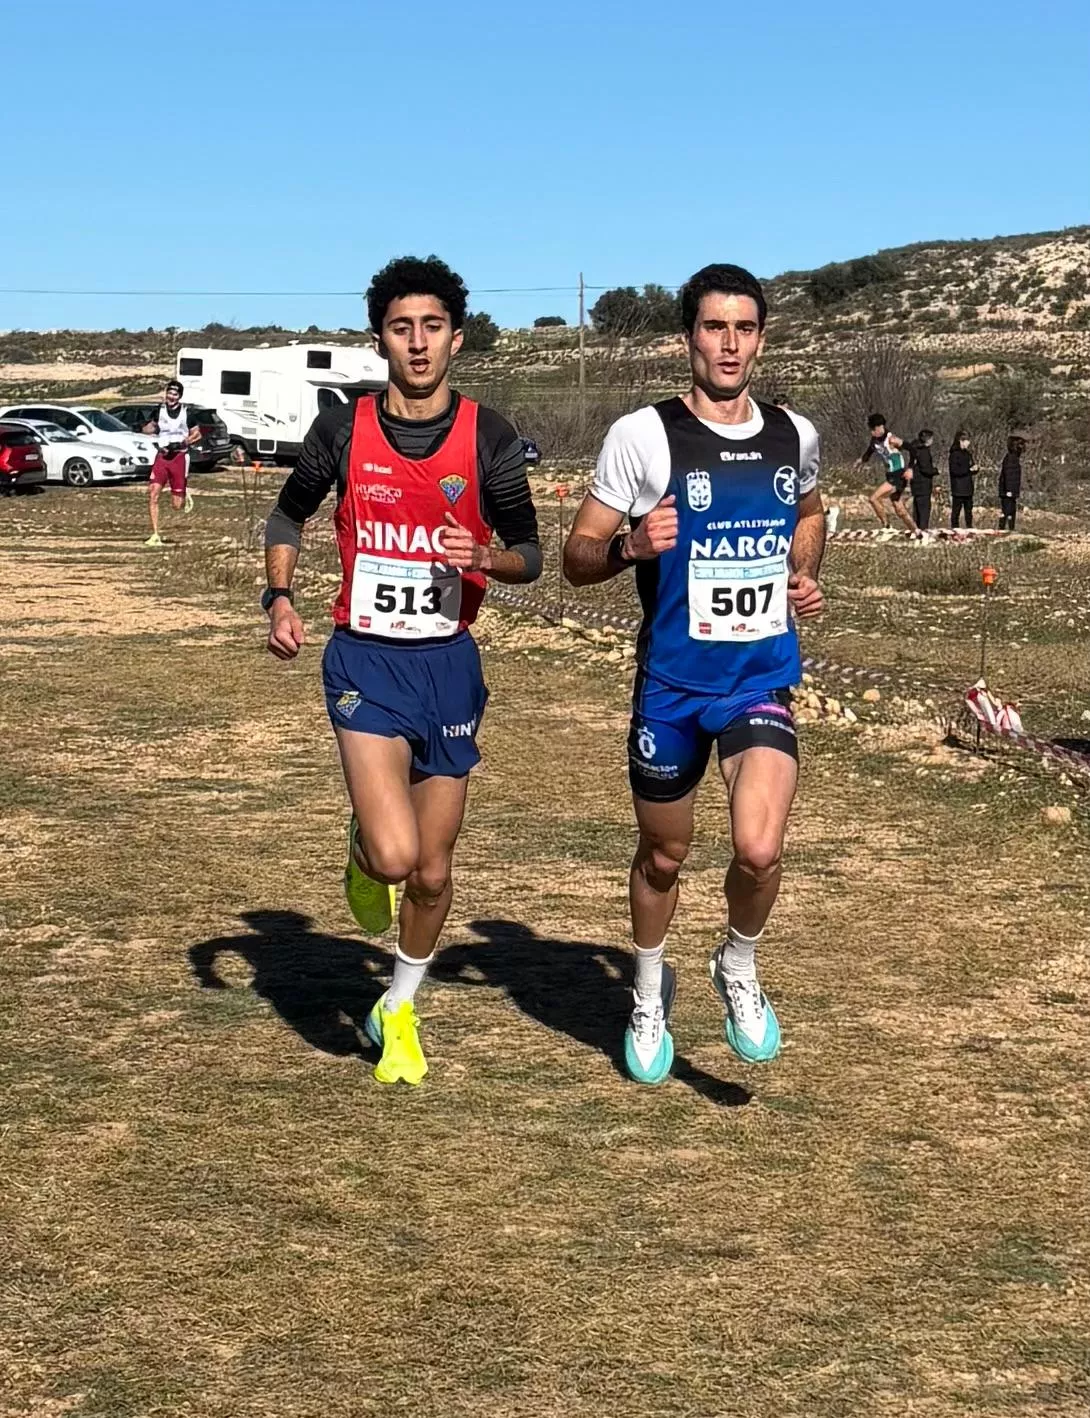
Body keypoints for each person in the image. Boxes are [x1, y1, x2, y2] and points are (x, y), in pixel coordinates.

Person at [262, 256, 541, 1086]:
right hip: (367, 663)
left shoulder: (487, 434)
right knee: (392, 858)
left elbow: (530, 554)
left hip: (449, 667)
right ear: (379, 337)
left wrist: (485, 554)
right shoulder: (344, 428)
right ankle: (361, 841)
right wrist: (278, 598)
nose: (416, 343)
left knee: (433, 868)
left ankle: (400, 1002)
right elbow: (288, 512)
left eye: (431, 327)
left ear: (456, 338)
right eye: (399, 327)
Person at [562, 262, 825, 1085]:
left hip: (759, 679)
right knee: (663, 856)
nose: (730, 344)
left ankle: (738, 965)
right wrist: (631, 547)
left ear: (762, 338)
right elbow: (575, 556)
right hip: (671, 688)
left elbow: (809, 512)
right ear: (689, 338)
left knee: (758, 845)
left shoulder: (795, 434)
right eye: (715, 327)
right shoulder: (643, 436)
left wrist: (802, 570)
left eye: (744, 328)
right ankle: (647, 987)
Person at [143, 378, 199, 546]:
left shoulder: (187, 412)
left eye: (175, 394)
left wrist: (184, 443)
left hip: (179, 457)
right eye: (169, 393)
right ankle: (155, 534)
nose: (171, 396)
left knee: (176, 505)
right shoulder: (158, 410)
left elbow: (197, 434)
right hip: (162, 456)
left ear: (179, 396)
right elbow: (150, 428)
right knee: (153, 494)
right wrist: (145, 429)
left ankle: (183, 493)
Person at [855, 414, 917, 532]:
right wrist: (861, 461)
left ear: (880, 427)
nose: (872, 432)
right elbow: (869, 452)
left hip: (898, 475)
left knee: (873, 498)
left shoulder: (892, 440)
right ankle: (917, 532)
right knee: (899, 509)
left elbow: (913, 450)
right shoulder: (875, 441)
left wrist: (910, 469)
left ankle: (887, 527)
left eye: (874, 429)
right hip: (890, 475)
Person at [906, 428, 937, 531]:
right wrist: (935, 471)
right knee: (924, 510)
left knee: (917, 509)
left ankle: (916, 528)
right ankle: (923, 530)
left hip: (916, 484)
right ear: (927, 440)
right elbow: (925, 468)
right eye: (931, 438)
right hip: (923, 484)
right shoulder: (923, 451)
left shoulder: (914, 449)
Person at [948, 430, 978, 528]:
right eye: (966, 441)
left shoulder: (968, 454)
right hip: (958, 488)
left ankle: (969, 528)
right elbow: (955, 471)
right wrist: (968, 470)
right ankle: (954, 528)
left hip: (968, 487)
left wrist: (975, 469)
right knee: (956, 511)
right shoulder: (954, 454)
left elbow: (971, 466)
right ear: (961, 441)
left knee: (969, 512)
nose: (968, 443)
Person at [998, 435, 1025, 530]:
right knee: (1007, 511)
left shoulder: (1013, 458)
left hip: (1011, 491)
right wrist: (1008, 490)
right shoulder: (1011, 458)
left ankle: (1010, 529)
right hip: (1008, 491)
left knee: (1011, 511)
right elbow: (1008, 475)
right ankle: (1003, 529)